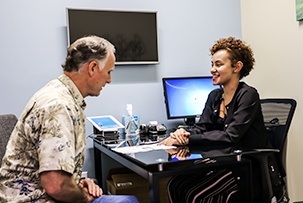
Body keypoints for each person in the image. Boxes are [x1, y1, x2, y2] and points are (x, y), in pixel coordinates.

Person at [0, 35, 139, 203]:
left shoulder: (62, 94)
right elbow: (55, 185)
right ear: (93, 68)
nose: (109, 80)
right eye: (109, 72)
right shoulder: (58, 106)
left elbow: (55, 172)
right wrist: (83, 196)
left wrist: (77, 182)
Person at [162, 37, 285, 202]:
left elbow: (231, 135)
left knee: (194, 194)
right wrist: (182, 133)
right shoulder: (215, 96)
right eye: (212, 64)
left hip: (246, 168)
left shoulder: (248, 95)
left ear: (237, 67)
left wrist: (189, 139)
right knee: (174, 185)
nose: (213, 69)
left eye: (218, 64)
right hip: (223, 163)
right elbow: (202, 127)